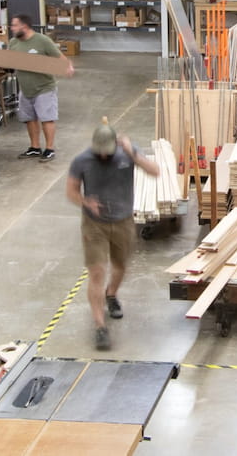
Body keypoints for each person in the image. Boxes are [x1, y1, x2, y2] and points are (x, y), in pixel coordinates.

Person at [68, 122, 159, 350]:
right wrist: (85, 201)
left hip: (123, 221)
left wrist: (132, 153)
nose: (104, 157)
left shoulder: (127, 154)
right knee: (97, 272)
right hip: (94, 224)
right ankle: (100, 327)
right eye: (100, 153)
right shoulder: (82, 160)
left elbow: (155, 171)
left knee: (120, 266)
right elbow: (71, 191)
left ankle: (112, 294)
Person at [7, 13, 73, 161]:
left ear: (24, 26)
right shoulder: (13, 43)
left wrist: (67, 67)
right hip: (25, 88)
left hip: (44, 88)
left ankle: (49, 149)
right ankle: (34, 147)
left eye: (15, 25)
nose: (12, 28)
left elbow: (60, 58)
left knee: (47, 119)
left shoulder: (42, 41)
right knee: (29, 119)